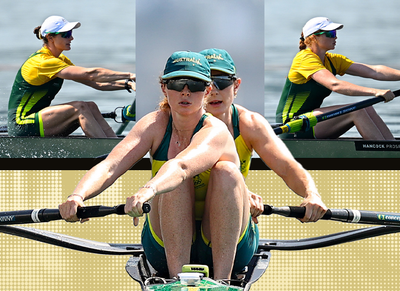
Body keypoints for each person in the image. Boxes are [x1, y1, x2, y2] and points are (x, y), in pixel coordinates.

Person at [59, 51, 258, 281]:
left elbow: (182, 166)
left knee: (226, 172)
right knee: (172, 184)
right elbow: (111, 166)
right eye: (176, 83)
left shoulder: (215, 131)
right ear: (164, 88)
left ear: (207, 90)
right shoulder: (154, 124)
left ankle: (224, 280)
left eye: (194, 84)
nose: (185, 91)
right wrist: (77, 196)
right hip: (166, 244)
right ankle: (177, 281)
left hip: (229, 245)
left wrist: (148, 190)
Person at [200, 48, 327, 223]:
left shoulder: (250, 124)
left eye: (221, 82)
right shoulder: (179, 123)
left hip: (222, 218)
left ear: (236, 86)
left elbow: (287, 167)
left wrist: (311, 194)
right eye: (206, 84)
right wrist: (239, 192)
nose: (214, 91)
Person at [8, 15, 135, 138]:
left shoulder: (60, 59)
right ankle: (106, 151)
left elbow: (97, 83)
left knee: (91, 106)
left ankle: (113, 145)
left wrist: (127, 84)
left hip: (38, 120)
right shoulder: (42, 62)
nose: (71, 38)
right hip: (22, 124)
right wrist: (131, 75)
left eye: (71, 33)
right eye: (66, 35)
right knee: (80, 107)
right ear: (50, 37)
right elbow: (90, 74)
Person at [275, 16, 400, 140]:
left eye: (335, 33)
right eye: (330, 33)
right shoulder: (304, 59)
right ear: (314, 37)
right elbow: (335, 85)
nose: (335, 37)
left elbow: (374, 71)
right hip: (292, 125)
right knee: (357, 110)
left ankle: (391, 146)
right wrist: (376, 92)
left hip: (313, 120)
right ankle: (384, 152)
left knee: (367, 107)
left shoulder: (333, 60)